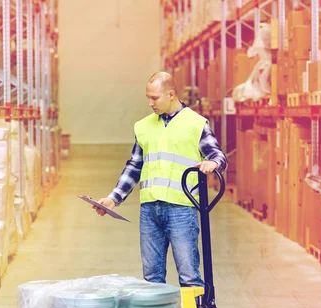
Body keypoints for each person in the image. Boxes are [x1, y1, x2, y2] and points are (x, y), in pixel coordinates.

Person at [94, 71, 228, 287]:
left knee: (189, 276)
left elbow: (217, 155)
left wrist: (213, 163)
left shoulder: (195, 123)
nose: (150, 103)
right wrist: (114, 198)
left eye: (154, 98)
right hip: (149, 210)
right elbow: (135, 165)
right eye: (148, 97)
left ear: (171, 95)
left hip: (181, 210)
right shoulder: (144, 126)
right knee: (152, 279)